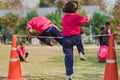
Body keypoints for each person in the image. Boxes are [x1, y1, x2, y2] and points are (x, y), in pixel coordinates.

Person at [62, 1, 89, 80]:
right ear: (76, 10)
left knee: (68, 57)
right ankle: (81, 53)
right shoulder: (77, 16)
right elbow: (86, 21)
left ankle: (69, 76)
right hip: (76, 38)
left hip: (66, 39)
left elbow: (64, 25)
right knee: (79, 42)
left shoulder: (65, 17)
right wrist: (88, 16)